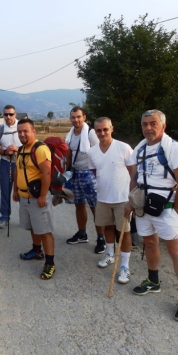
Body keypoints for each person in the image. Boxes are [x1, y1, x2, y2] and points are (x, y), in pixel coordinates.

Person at [124, 109, 178, 323]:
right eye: (144, 124)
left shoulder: (174, 148)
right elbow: (135, 177)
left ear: (163, 125)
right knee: (150, 244)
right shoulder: (140, 147)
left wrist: (177, 211)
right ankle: (153, 281)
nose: (148, 128)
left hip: (167, 208)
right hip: (144, 207)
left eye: (153, 123)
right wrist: (130, 200)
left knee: (176, 252)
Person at [87, 117, 134, 284]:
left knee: (124, 232)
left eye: (105, 129)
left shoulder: (123, 147)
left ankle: (125, 266)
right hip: (103, 198)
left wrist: (132, 197)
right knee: (107, 227)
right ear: (95, 132)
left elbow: (133, 172)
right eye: (98, 130)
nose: (102, 133)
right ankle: (109, 254)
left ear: (111, 129)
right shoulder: (91, 152)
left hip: (122, 199)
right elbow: (95, 173)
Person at [13, 119, 55, 280]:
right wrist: (15, 190)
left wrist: (43, 195)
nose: (22, 134)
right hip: (24, 197)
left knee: (44, 230)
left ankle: (50, 263)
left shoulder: (40, 149)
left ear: (33, 131)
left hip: (37, 197)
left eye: (25, 131)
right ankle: (37, 250)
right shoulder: (21, 149)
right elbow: (17, 170)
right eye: (19, 131)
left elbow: (46, 173)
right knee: (32, 226)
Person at [64, 106, 102, 253]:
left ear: (84, 117)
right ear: (70, 119)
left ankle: (101, 238)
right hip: (75, 173)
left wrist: (98, 175)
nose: (76, 120)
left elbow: (99, 154)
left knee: (95, 207)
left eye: (79, 117)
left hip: (89, 173)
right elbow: (68, 153)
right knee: (79, 205)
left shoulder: (91, 134)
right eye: (73, 117)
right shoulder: (70, 134)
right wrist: (66, 172)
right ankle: (82, 234)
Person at [0, 105, 22, 229]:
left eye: (11, 114)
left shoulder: (22, 126)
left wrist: (17, 149)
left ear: (15, 114)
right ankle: (4, 217)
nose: (8, 117)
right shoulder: (0, 129)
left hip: (22, 163)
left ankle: (26, 217)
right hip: (6, 162)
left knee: (24, 190)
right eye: (6, 114)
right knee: (5, 190)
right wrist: (5, 152)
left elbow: (31, 144)